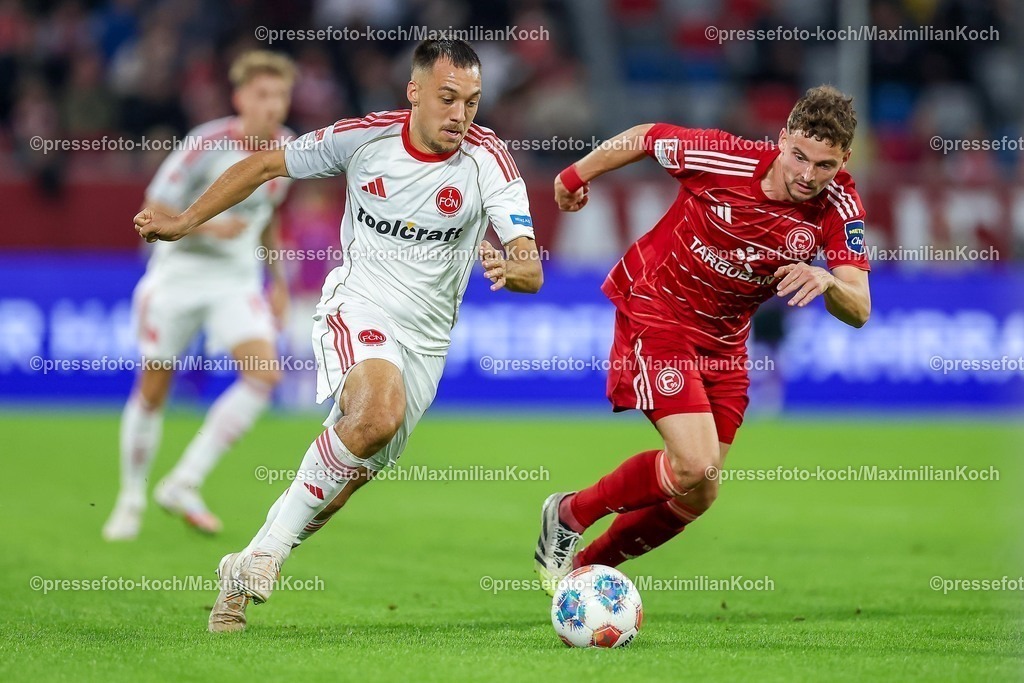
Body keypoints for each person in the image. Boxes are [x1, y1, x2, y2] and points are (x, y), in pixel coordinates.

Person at [134, 39, 542, 632]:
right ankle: (267, 557)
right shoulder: (364, 139)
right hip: (359, 306)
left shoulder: (489, 161)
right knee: (377, 412)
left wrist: (519, 267)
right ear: (415, 92)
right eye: (448, 99)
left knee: (343, 478)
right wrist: (184, 220)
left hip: (427, 341)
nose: (460, 116)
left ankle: (246, 563)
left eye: (473, 103)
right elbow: (268, 163)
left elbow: (529, 260)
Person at [535, 85, 871, 592]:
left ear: (843, 159)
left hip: (726, 342)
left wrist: (828, 281)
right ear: (781, 140)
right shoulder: (723, 158)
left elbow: (860, 307)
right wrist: (573, 175)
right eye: (799, 156)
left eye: (823, 165)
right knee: (694, 463)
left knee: (699, 493)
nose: (807, 175)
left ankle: (584, 571)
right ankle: (569, 513)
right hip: (658, 308)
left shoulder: (839, 205)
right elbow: (647, 137)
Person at [103, 51, 297, 541]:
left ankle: (184, 482)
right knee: (153, 388)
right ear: (240, 97)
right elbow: (154, 207)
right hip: (179, 276)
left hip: (236, 280)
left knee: (264, 375)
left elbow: (268, 216)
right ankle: (130, 497)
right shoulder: (204, 144)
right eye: (263, 95)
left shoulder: (290, 147)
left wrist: (278, 281)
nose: (273, 105)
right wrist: (209, 227)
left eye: (280, 95)